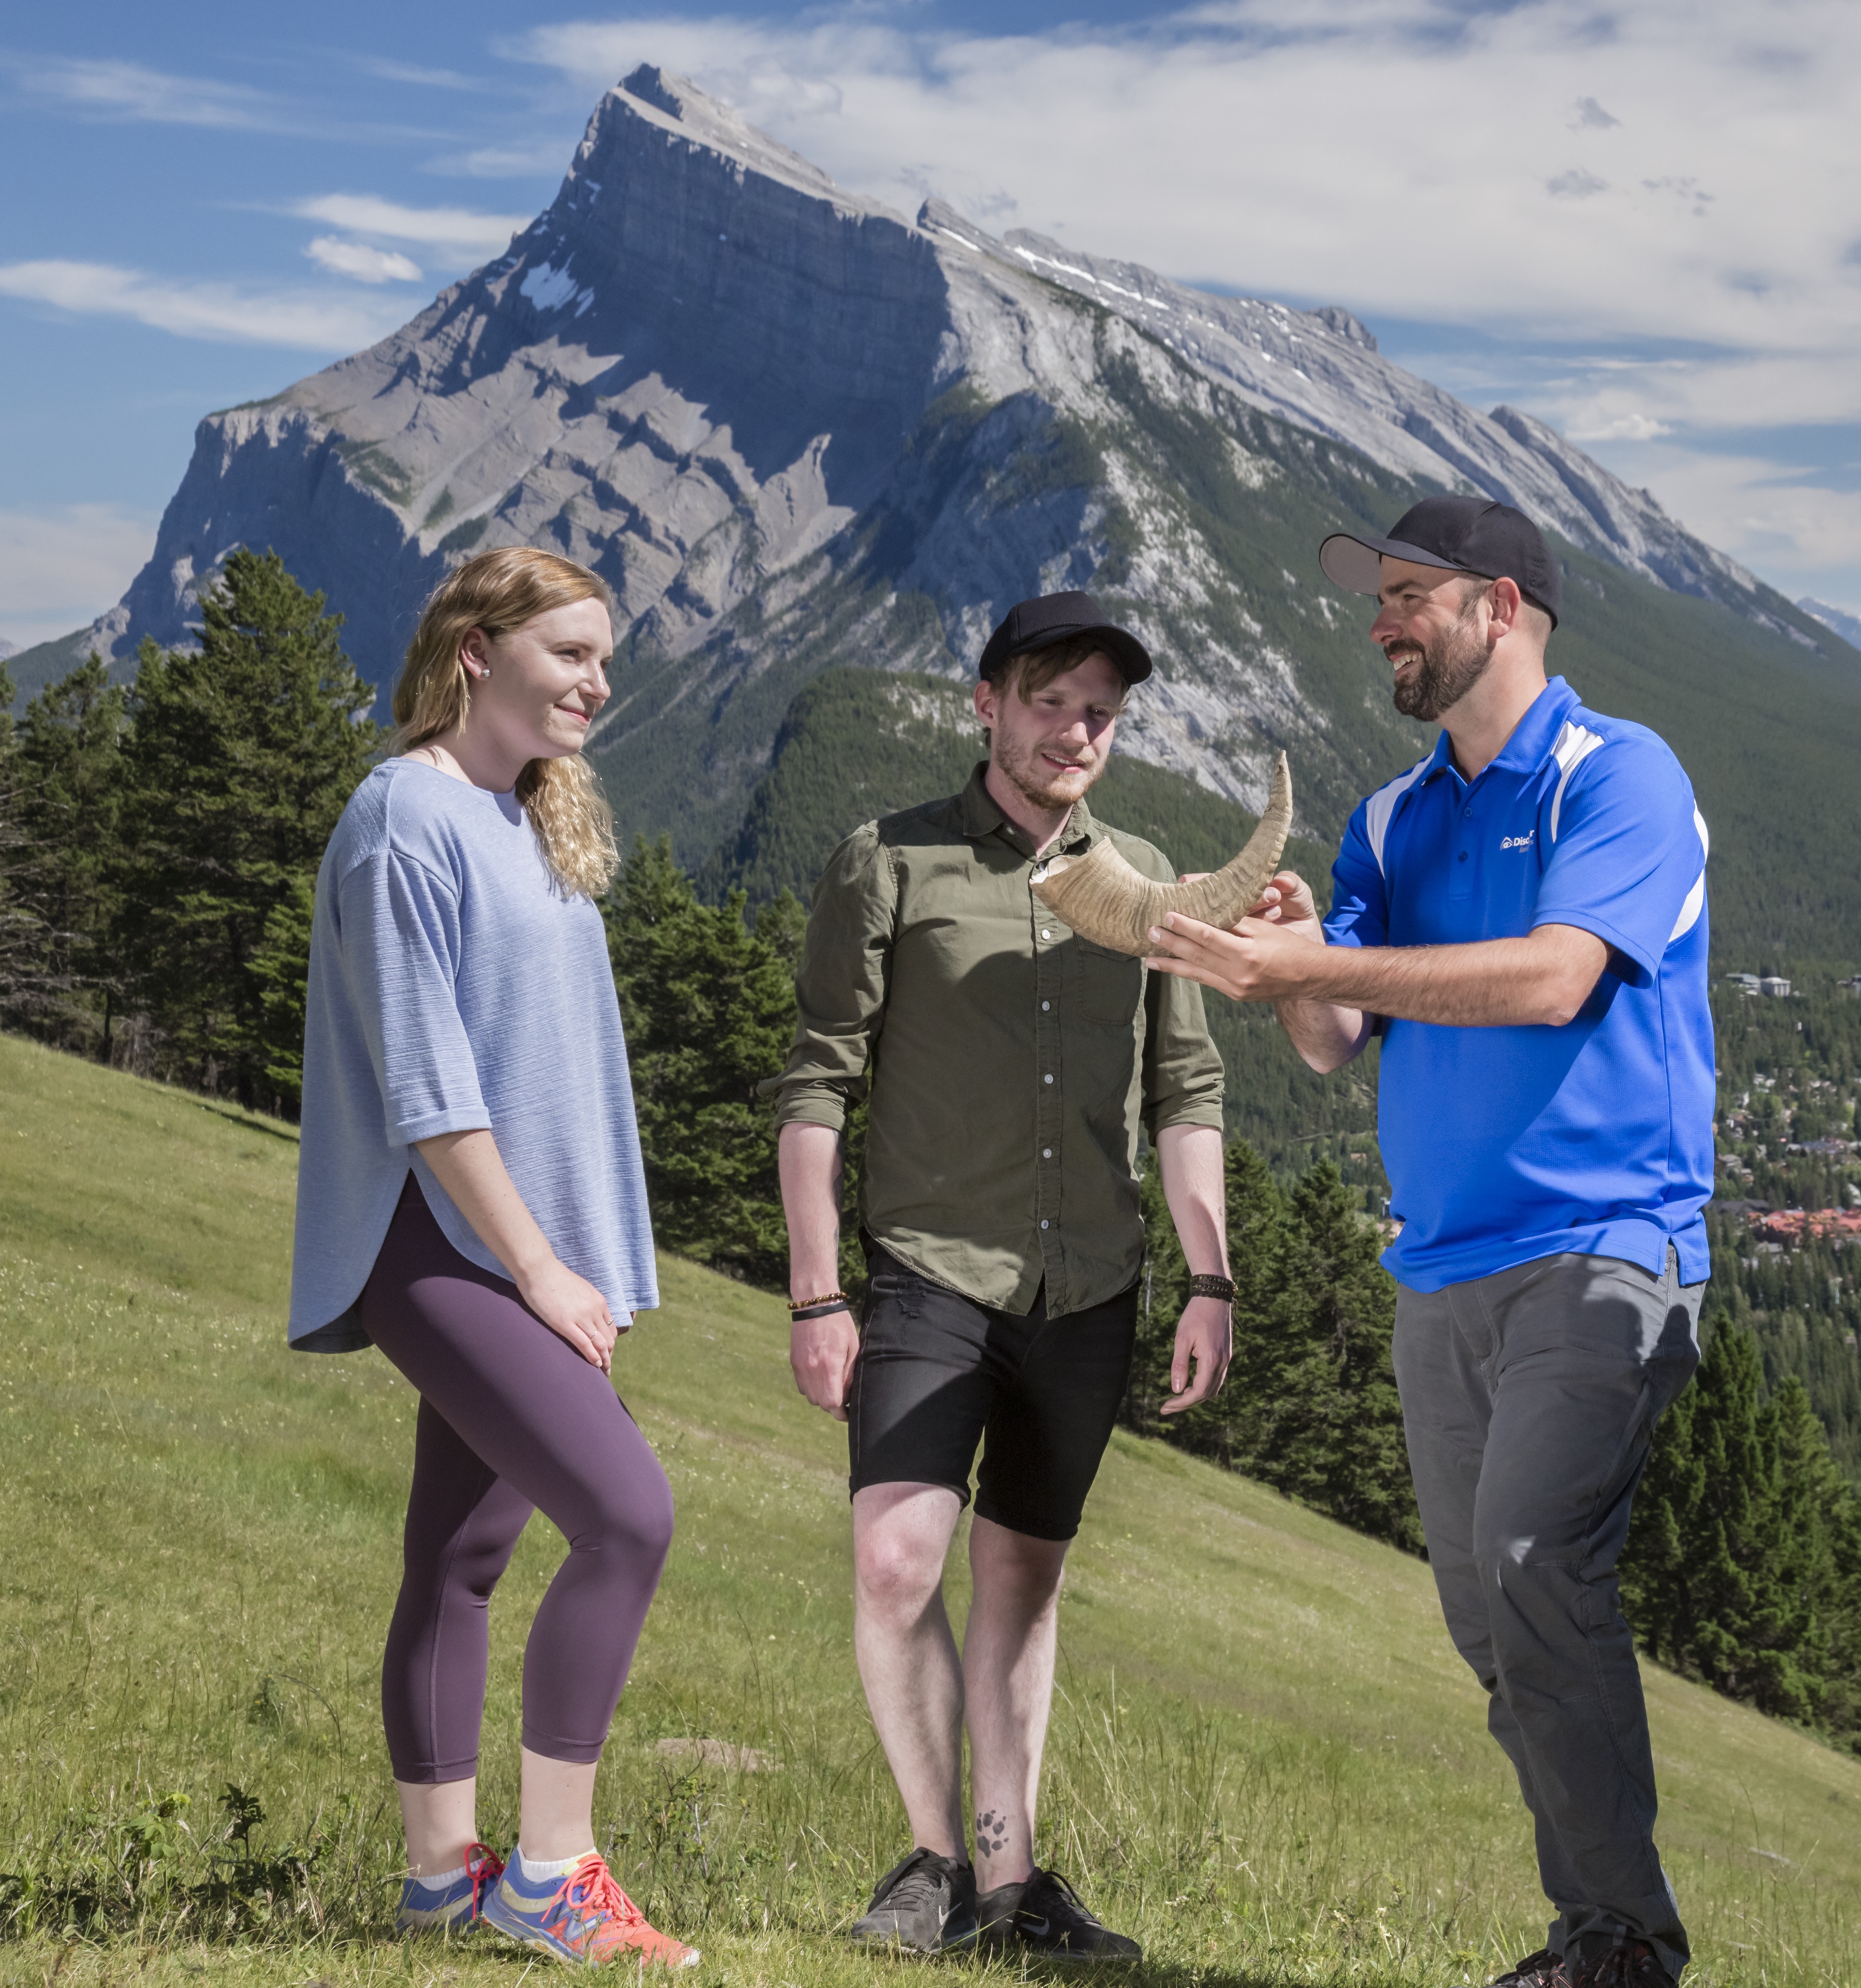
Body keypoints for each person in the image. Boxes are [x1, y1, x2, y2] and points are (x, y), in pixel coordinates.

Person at [1143, 495, 1713, 1988]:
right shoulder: (1393, 817)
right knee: (1489, 1618)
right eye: (1380, 596)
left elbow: (1555, 979)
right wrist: (1292, 962)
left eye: (1409, 594)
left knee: (1531, 1562)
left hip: (1604, 1247)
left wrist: (1326, 960)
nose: (1380, 619)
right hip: (1442, 1270)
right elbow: (1334, 1038)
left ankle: (1623, 1946)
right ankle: (1596, 1929)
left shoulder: (1620, 773)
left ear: (1499, 607)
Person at [763, 590, 1235, 1962]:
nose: (1076, 732)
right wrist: (816, 1292)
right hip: (930, 1275)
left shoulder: (1148, 881)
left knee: (1024, 1581)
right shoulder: (888, 862)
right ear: (986, 705)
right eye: (1050, 702)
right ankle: (932, 1865)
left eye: (1101, 712)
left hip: (1089, 1289)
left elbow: (1186, 1092)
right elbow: (817, 1082)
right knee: (895, 1560)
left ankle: (1011, 1884)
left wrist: (1210, 1280)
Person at [286, 546, 693, 1967]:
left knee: (460, 1555)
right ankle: (551, 1875)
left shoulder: (526, 814)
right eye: (571, 653)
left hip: (518, 1242)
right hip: (439, 1238)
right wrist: (541, 1270)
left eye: (604, 660)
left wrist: (582, 1254)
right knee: (628, 1517)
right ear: (476, 650)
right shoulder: (405, 817)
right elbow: (430, 1091)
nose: (598, 683)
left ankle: (439, 1881)